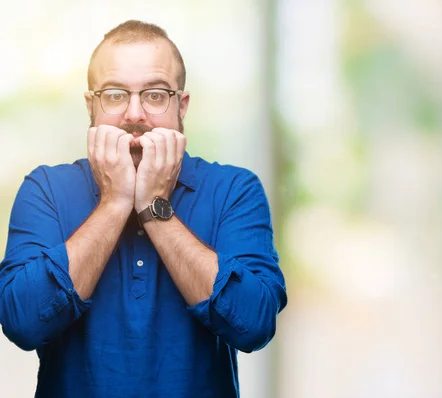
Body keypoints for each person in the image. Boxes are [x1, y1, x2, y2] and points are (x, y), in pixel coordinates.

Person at [0, 20, 287, 398]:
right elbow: (22, 323)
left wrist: (154, 207)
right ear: (91, 105)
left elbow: (254, 324)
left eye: (154, 94)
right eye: (116, 94)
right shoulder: (46, 190)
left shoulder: (234, 189)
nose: (134, 114)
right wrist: (115, 202)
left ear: (181, 105)